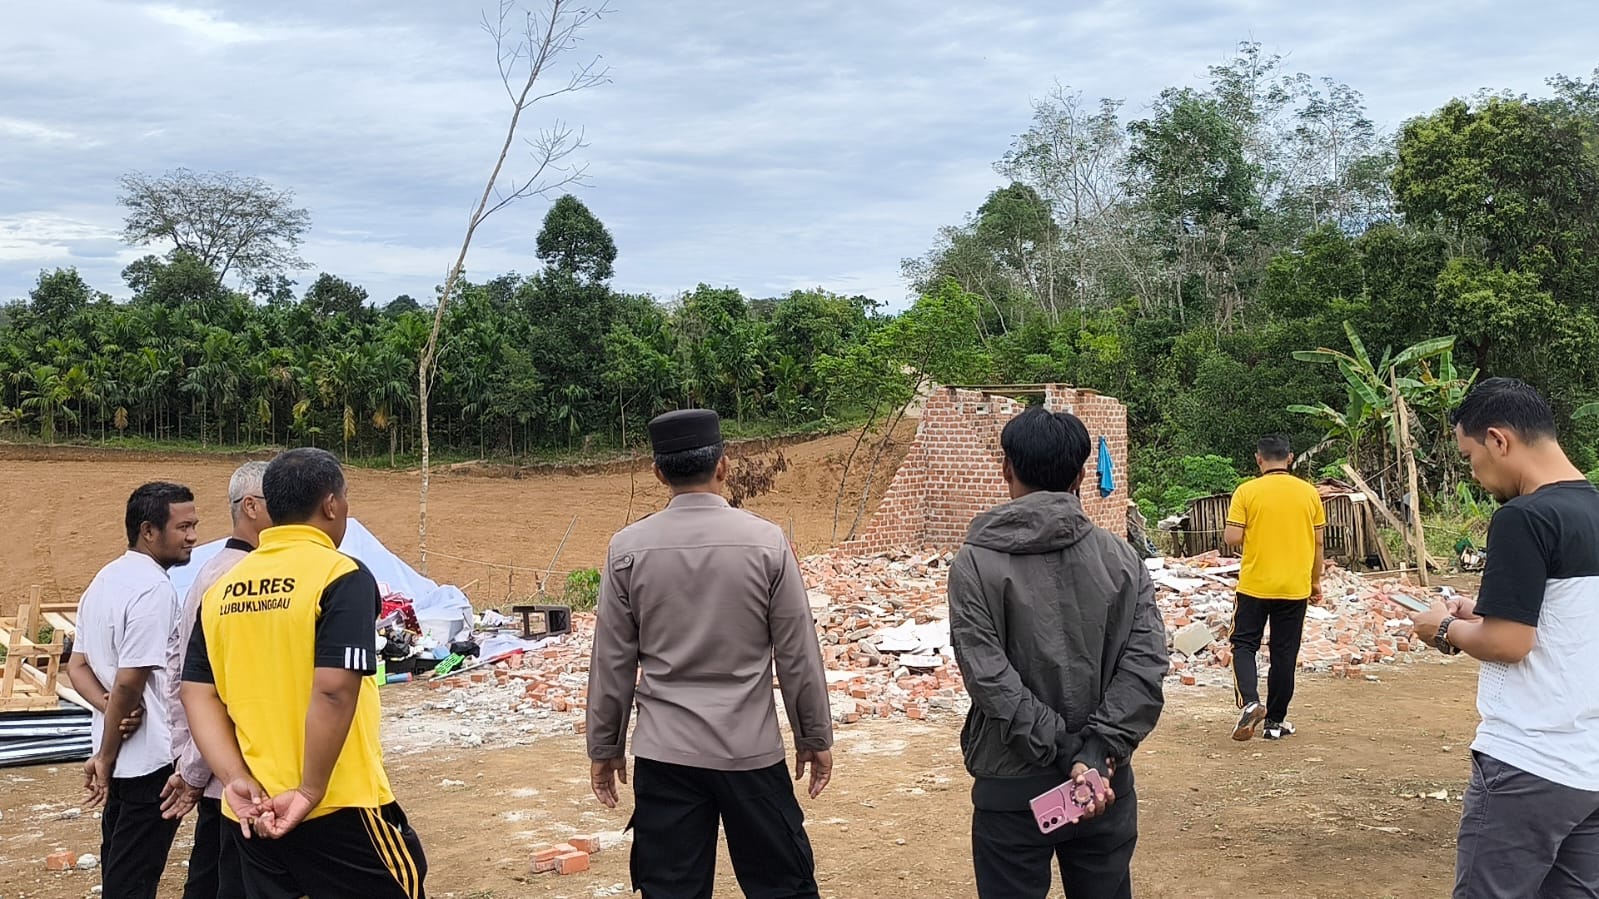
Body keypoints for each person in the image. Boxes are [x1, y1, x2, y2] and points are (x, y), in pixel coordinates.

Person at [587, 408, 834, 898]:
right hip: (750, 752)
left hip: (665, 754)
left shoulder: (626, 550)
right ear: (723, 465)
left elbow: (613, 661)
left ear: (658, 472)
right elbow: (797, 654)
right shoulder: (766, 543)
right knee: (784, 886)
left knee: (671, 890)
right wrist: (813, 736)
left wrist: (605, 747)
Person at [180, 448, 426, 899]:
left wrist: (235, 779)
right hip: (338, 802)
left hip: (252, 813)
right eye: (345, 500)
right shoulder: (341, 575)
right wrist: (310, 789)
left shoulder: (222, 589)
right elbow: (334, 691)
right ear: (332, 504)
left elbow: (196, 691)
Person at [948, 406, 1168, 899]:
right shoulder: (1122, 558)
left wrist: (1069, 749)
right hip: (1102, 784)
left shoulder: (974, 564)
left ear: (1007, 468)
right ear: (1082, 475)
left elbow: (988, 677)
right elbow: (1146, 665)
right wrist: (1094, 751)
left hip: (1011, 785)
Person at [1409, 378, 1599, 898]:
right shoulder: (1592, 510)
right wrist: (1482, 613)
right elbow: (1567, 620)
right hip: (1590, 768)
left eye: (1470, 457)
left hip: (1530, 763)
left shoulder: (1524, 517)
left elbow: (1510, 644)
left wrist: (1442, 627)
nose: (1475, 473)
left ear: (1498, 440)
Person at [68, 481, 199, 899]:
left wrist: (107, 711)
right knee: (132, 882)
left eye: (193, 526)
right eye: (183, 527)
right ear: (149, 531)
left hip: (119, 758)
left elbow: (78, 666)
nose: (193, 536)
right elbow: (130, 680)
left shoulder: (104, 580)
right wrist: (105, 753)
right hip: (150, 762)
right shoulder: (154, 590)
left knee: (119, 870)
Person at [164, 460, 272, 899]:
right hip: (228, 777)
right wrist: (193, 768)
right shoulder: (237, 579)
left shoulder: (217, 570)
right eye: (279, 501)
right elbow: (210, 688)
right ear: (250, 506)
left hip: (217, 772)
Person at [1222, 435, 1325, 742]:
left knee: (1243, 644)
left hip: (1255, 585)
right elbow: (1319, 543)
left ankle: (1251, 702)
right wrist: (1315, 581)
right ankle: (1276, 722)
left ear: (1259, 459)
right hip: (1295, 587)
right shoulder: (1309, 493)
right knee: (1284, 653)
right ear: (1290, 458)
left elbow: (1231, 538)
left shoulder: (1247, 491)